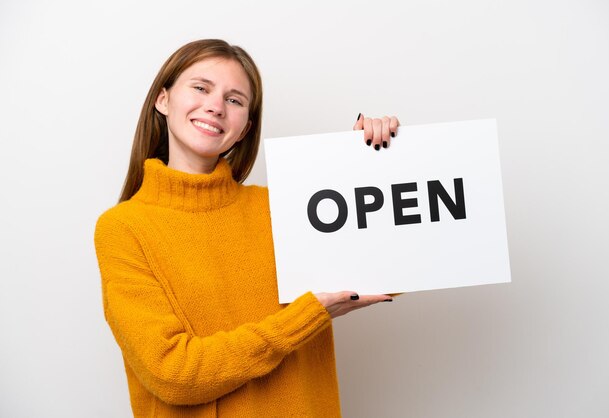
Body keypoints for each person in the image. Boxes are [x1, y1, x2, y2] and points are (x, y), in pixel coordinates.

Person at [94, 39, 400, 418]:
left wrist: (373, 169)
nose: (215, 106)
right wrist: (303, 319)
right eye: (201, 88)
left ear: (244, 129)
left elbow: (386, 274)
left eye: (235, 100)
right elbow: (173, 373)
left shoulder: (285, 208)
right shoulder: (124, 229)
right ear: (163, 100)